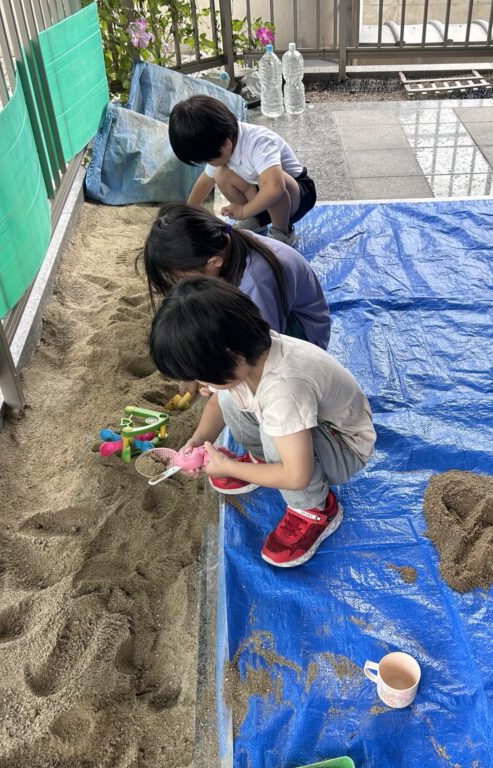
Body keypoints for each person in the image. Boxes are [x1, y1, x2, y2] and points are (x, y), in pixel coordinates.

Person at [149, 277, 375, 568]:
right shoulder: (248, 354)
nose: (202, 384)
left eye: (202, 375)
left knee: (275, 434)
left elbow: (297, 476)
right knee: (229, 398)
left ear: (231, 356)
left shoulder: (284, 389)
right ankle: (262, 464)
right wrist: (198, 440)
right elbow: (218, 402)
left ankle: (314, 508)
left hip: (345, 447)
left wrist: (228, 467)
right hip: (306, 426)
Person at [140, 201, 330, 350]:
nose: (182, 283)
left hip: (303, 336)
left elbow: (265, 346)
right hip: (272, 314)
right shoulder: (227, 241)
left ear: (214, 262)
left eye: (184, 277)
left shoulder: (254, 281)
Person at [169, 95, 317, 245]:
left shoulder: (258, 142)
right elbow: (206, 181)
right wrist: (188, 212)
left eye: (208, 160)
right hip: (264, 196)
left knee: (273, 182)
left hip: (297, 198)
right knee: (222, 175)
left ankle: (281, 232)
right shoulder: (221, 139)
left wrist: (244, 211)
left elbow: (276, 187)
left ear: (226, 144)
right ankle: (255, 220)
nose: (208, 163)